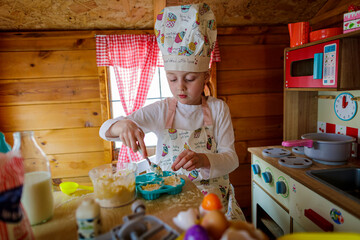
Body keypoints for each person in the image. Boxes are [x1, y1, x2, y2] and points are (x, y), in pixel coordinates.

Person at [99, 3, 245, 221]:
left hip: (214, 205)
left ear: (206, 76)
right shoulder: (161, 110)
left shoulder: (218, 108)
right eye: (172, 79)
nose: (180, 88)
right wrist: (123, 125)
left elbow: (231, 159)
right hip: (172, 202)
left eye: (189, 79)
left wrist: (204, 160)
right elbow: (105, 131)